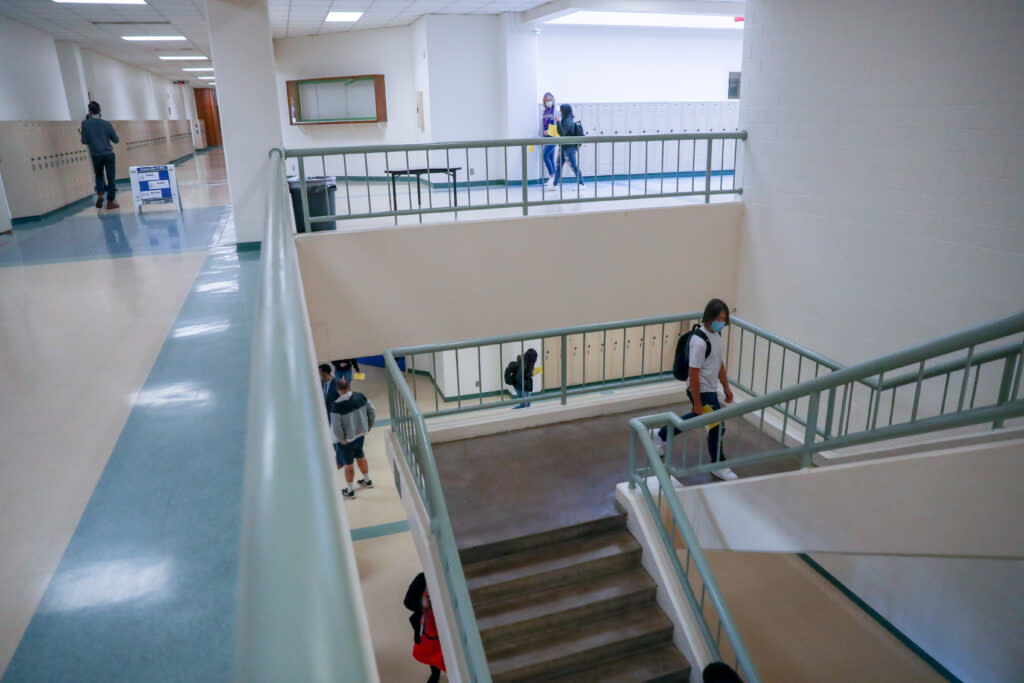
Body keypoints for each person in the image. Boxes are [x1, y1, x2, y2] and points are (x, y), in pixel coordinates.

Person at [651, 299, 738, 481]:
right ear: (709, 317)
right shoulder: (699, 342)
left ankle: (661, 434)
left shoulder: (716, 335)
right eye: (718, 319)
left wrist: (726, 387)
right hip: (701, 390)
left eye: (724, 319)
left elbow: (718, 363)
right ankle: (718, 464)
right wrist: (697, 402)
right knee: (715, 427)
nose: (721, 323)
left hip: (710, 389)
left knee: (707, 422)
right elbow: (694, 373)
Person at [328, 377, 375, 499]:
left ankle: (350, 491)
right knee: (360, 455)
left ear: (338, 390)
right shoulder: (360, 396)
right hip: (360, 435)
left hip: (347, 440)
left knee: (348, 464)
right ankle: (367, 480)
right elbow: (372, 411)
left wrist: (341, 439)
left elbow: (336, 427)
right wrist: (369, 426)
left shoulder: (336, 406)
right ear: (349, 387)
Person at [405, 573, 445, 683]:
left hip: (445, 629)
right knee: (435, 669)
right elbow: (407, 602)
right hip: (428, 631)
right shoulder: (422, 578)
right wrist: (421, 603)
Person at [81, 101, 120, 210]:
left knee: (99, 175)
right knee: (111, 178)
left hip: (96, 154)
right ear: (100, 111)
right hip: (108, 154)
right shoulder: (106, 124)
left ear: (89, 111)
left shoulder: (85, 124)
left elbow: (84, 141)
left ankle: (101, 194)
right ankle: (110, 202)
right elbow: (116, 140)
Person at [554, 103, 584, 187]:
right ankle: (554, 185)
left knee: (574, 166)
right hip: (564, 147)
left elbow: (562, 133)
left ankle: (581, 184)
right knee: (558, 166)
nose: (559, 111)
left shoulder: (567, 121)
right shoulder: (567, 119)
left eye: (561, 109)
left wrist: (558, 122)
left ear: (564, 111)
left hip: (569, 148)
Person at [540, 92, 560, 187]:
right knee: (550, 157)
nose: (548, 102)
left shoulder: (555, 110)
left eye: (549, 100)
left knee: (544, 156)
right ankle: (554, 179)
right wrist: (543, 132)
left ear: (552, 100)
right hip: (547, 137)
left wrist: (548, 132)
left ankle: (552, 176)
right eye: (546, 100)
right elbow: (543, 123)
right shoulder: (545, 111)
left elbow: (558, 124)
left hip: (554, 136)